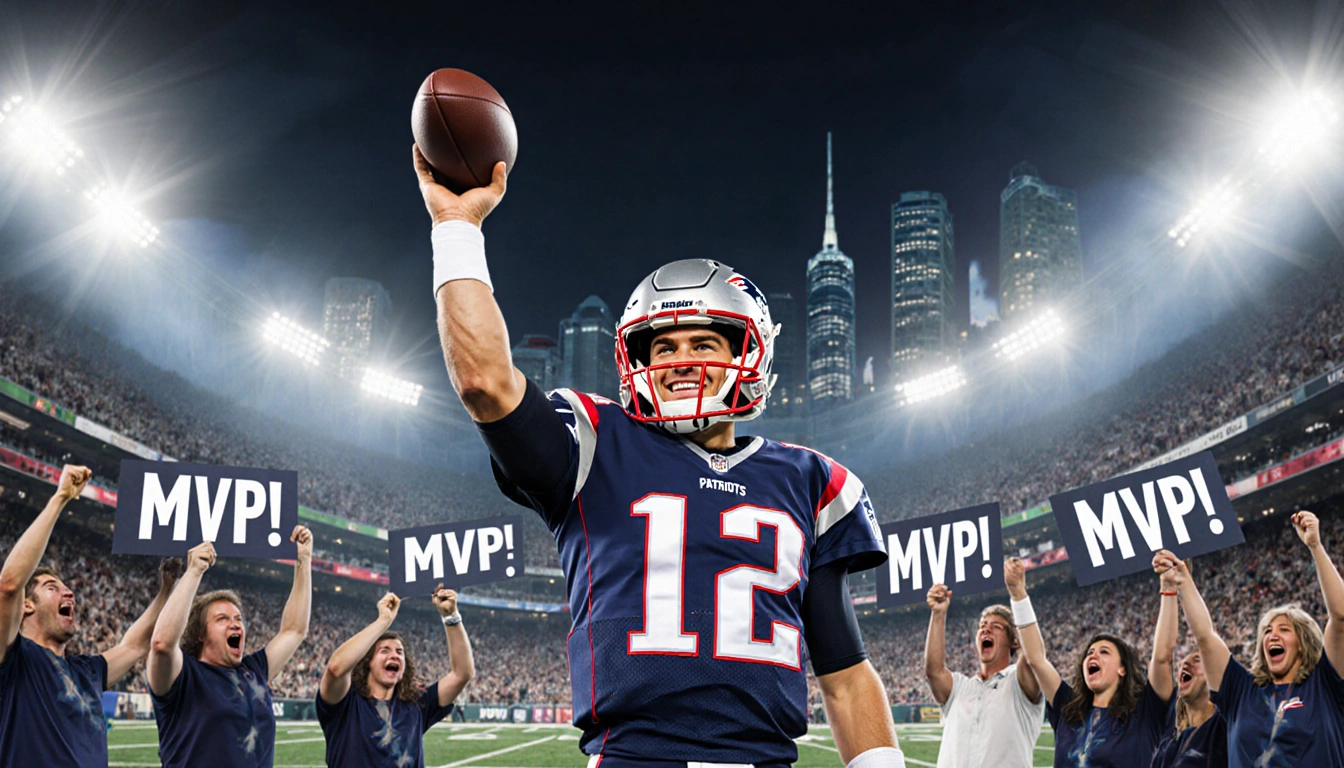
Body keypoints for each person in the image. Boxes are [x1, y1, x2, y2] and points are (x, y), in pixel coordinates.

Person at [414, 149, 904, 768]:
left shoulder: (811, 481)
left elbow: (844, 674)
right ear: (635, 363)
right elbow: (485, 381)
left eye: (703, 341)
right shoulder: (595, 443)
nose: (680, 362)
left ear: (751, 352)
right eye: (663, 346)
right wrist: (457, 229)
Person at [0, 465, 179, 766]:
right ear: (27, 605)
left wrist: (168, 589)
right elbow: (9, 585)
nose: (69, 593)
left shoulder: (87, 671)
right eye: (52, 588)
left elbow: (135, 645)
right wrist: (61, 497)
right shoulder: (14, 658)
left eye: (68, 588)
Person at [1166, 510, 1344, 768]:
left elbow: (1340, 616)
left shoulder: (1325, 685)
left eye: (1284, 629)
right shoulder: (1242, 691)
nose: (1272, 634)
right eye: (1267, 631)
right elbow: (1205, 636)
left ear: (1304, 643)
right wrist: (1183, 582)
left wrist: (1315, 546)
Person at [147, 528, 313, 768]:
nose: (235, 623)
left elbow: (294, 630)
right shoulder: (184, 677)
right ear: (200, 635)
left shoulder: (253, 670)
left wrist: (303, 561)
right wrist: (194, 571)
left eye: (238, 618)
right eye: (222, 618)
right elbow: (162, 644)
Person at [1005, 557, 1174, 768]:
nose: (1092, 656)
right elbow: (1036, 659)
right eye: (1089, 652)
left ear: (1123, 669)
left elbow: (1162, 657)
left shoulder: (1144, 711)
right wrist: (1018, 594)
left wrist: (1168, 588)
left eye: (1104, 652)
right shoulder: (1069, 707)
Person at [317, 585, 475, 767]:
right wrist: (384, 620)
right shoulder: (345, 704)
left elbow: (462, 674)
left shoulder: (417, 704)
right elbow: (336, 668)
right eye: (385, 650)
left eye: (400, 652)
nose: (395, 655)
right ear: (367, 661)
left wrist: (451, 617)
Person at [923, 583, 1043, 768]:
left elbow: (1033, 658)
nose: (986, 630)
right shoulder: (961, 687)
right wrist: (938, 614)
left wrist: (1018, 594)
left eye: (996, 627)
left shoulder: (1017, 682)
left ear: (1014, 642)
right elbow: (934, 671)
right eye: (982, 626)